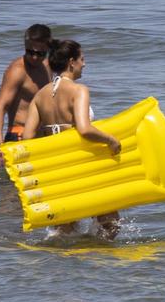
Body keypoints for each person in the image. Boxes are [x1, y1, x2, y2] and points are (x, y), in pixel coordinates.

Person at [25, 39, 123, 235]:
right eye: (82, 59)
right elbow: (84, 129)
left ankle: (61, 263)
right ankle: (101, 261)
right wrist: (111, 140)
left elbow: (27, 137)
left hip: (55, 165)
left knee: (64, 226)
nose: (84, 63)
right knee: (110, 222)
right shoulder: (79, 90)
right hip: (81, 160)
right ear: (71, 62)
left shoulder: (40, 95)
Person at [0, 24, 54, 160]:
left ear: (48, 49)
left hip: (42, 138)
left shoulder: (47, 67)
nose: (35, 57)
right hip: (19, 137)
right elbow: (0, 107)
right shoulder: (17, 70)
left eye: (40, 53)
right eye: (30, 52)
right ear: (25, 45)